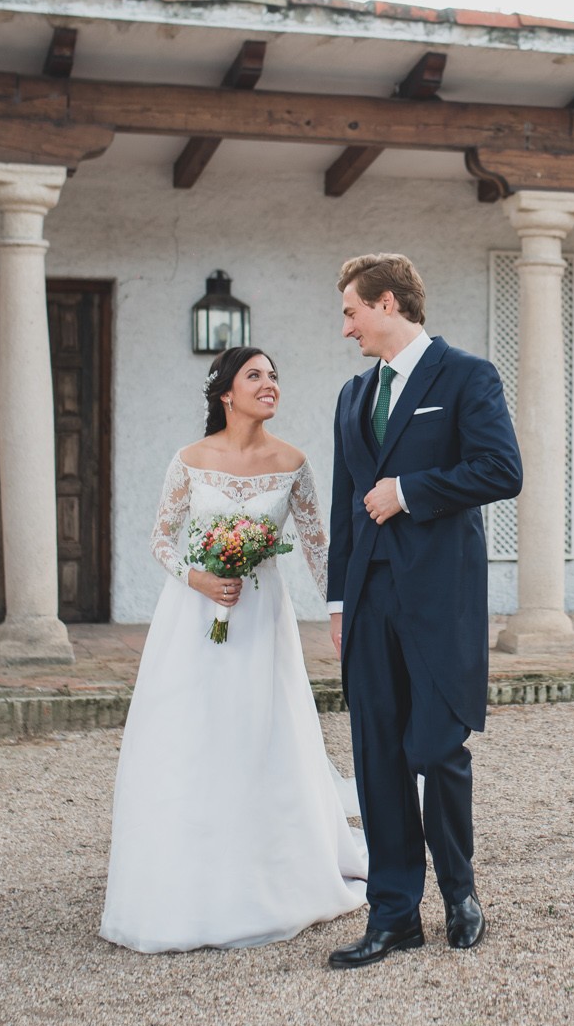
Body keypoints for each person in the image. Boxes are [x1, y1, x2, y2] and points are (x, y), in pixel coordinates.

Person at [100, 346, 366, 953]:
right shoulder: (190, 460)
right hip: (192, 615)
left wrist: (340, 613)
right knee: (189, 731)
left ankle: (264, 868)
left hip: (260, 619)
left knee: (257, 728)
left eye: (275, 374)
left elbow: (319, 547)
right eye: (256, 375)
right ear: (226, 393)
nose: (270, 384)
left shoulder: (293, 462)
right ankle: (185, 871)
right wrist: (197, 577)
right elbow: (161, 539)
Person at [325, 253, 523, 969]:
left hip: (442, 598)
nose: (346, 327)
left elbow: (503, 469)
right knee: (377, 757)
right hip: (370, 599)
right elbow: (351, 504)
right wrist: (340, 600)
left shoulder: (466, 376)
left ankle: (461, 894)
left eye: (351, 311)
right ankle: (393, 914)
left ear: (386, 303)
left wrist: (409, 489)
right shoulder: (352, 396)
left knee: (435, 749)